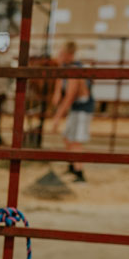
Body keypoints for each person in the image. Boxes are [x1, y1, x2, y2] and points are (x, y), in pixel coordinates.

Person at [50, 40, 94, 182]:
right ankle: (72, 166)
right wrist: (56, 93)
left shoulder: (75, 70)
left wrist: (57, 117)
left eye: (61, 53)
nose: (58, 56)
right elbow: (60, 82)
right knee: (67, 137)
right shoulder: (66, 68)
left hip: (82, 108)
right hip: (75, 108)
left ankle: (80, 174)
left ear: (69, 55)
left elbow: (70, 96)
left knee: (76, 142)